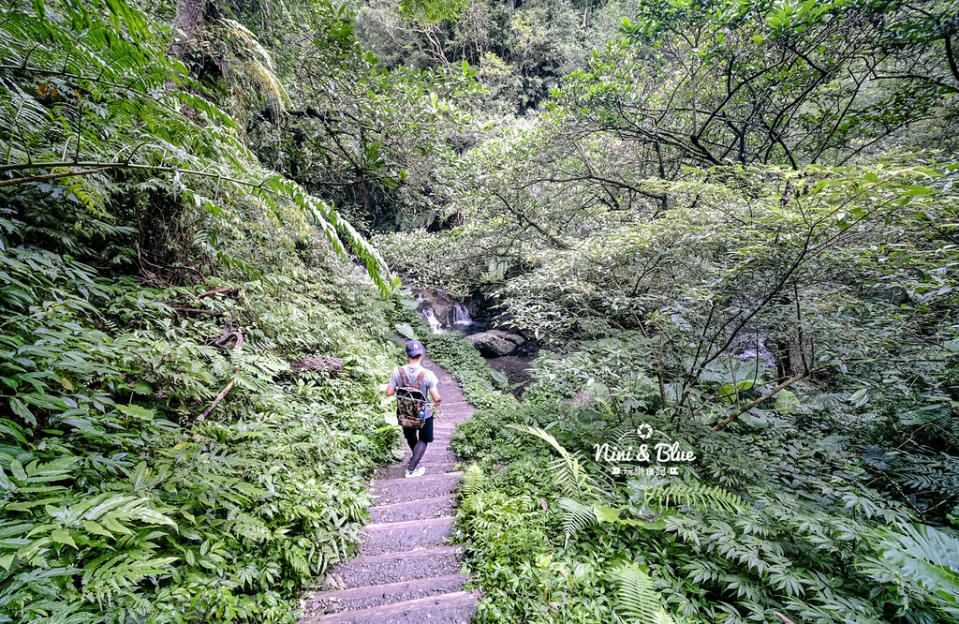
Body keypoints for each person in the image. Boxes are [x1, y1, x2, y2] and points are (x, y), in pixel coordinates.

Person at [386, 339, 442, 478]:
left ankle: (415, 455)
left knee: (411, 435)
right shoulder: (428, 374)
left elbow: (388, 392)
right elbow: (436, 398)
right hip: (424, 414)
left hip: (405, 412)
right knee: (423, 439)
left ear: (407, 355)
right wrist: (437, 402)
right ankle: (411, 469)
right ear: (421, 355)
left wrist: (399, 388)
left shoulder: (397, 371)